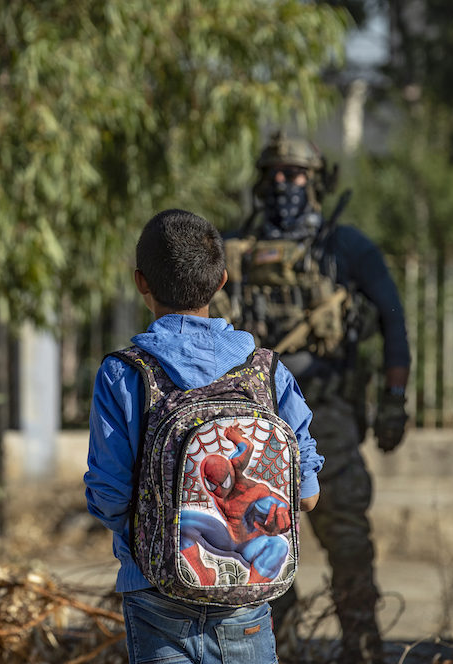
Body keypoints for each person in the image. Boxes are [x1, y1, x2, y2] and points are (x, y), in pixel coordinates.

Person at [84, 209, 323, 664]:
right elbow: (307, 495)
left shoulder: (124, 373)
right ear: (221, 281)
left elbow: (111, 497)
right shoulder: (267, 372)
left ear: (141, 282)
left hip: (154, 591)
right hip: (247, 599)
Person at [220, 131, 410, 663]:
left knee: (345, 532)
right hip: (253, 415)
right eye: (276, 173)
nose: (285, 183)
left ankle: (361, 643)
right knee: (254, 540)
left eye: (296, 173)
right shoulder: (234, 248)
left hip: (327, 411)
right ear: (261, 182)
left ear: (317, 180)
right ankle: (280, 644)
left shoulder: (346, 247)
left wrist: (395, 397)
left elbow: (393, 322)